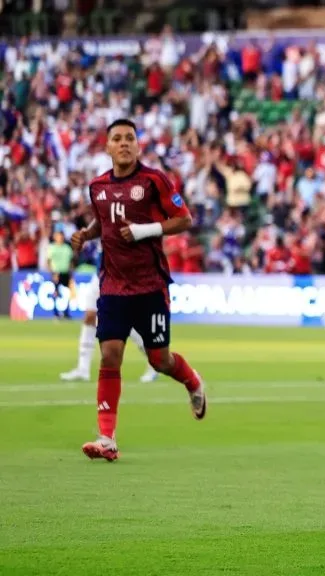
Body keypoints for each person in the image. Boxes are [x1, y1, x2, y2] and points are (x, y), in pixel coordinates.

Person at [70, 119, 208, 462]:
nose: (124, 143)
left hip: (150, 286)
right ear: (107, 147)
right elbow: (104, 220)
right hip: (114, 286)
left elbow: (184, 219)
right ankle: (107, 438)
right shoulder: (98, 186)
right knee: (110, 354)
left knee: (159, 360)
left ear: (138, 145)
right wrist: (86, 234)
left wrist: (145, 230)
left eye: (129, 138)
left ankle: (192, 382)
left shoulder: (153, 180)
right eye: (117, 138)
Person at [59, 271, 159, 384]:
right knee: (90, 317)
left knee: (123, 320)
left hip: (118, 275)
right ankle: (83, 369)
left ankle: (155, 359)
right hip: (100, 274)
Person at [47, 231, 74, 319]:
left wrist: (71, 273)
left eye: (61, 236)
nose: (60, 238)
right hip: (56, 273)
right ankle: (55, 312)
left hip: (66, 273)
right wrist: (52, 273)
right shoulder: (52, 247)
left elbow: (71, 262)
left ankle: (66, 312)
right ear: (55, 237)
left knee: (68, 293)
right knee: (56, 292)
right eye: (58, 236)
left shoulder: (67, 248)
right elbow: (48, 261)